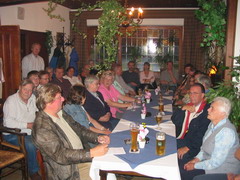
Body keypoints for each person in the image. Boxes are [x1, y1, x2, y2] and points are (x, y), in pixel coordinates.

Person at [32, 83, 110, 180]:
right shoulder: (42, 127)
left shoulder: (61, 113)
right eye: (59, 97)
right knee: (106, 174)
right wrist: (91, 153)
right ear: (49, 102)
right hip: (68, 170)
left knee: (109, 171)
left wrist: (97, 137)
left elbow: (80, 129)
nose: (63, 99)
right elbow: (60, 154)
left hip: (80, 158)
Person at [182, 97, 240, 180]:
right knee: (180, 165)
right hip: (208, 163)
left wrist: (195, 165)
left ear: (222, 114)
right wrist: (196, 159)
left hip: (224, 171)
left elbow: (216, 162)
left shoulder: (226, 132)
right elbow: (203, 148)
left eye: (212, 108)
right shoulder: (212, 125)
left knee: (183, 173)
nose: (208, 110)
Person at [3, 79, 40, 179]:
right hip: (13, 133)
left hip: (30, 130)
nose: (28, 93)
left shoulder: (33, 97)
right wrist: (27, 125)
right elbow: (8, 122)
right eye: (25, 89)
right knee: (31, 144)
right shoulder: (11, 101)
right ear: (19, 88)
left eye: (30, 90)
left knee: (49, 136)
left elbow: (38, 111)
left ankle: (45, 164)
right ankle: (33, 171)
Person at [172, 83, 210, 162]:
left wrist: (187, 147)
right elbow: (174, 119)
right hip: (182, 138)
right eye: (190, 93)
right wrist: (183, 108)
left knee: (169, 150)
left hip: (193, 145)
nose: (191, 95)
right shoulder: (190, 105)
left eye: (195, 93)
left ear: (202, 95)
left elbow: (202, 134)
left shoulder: (206, 111)